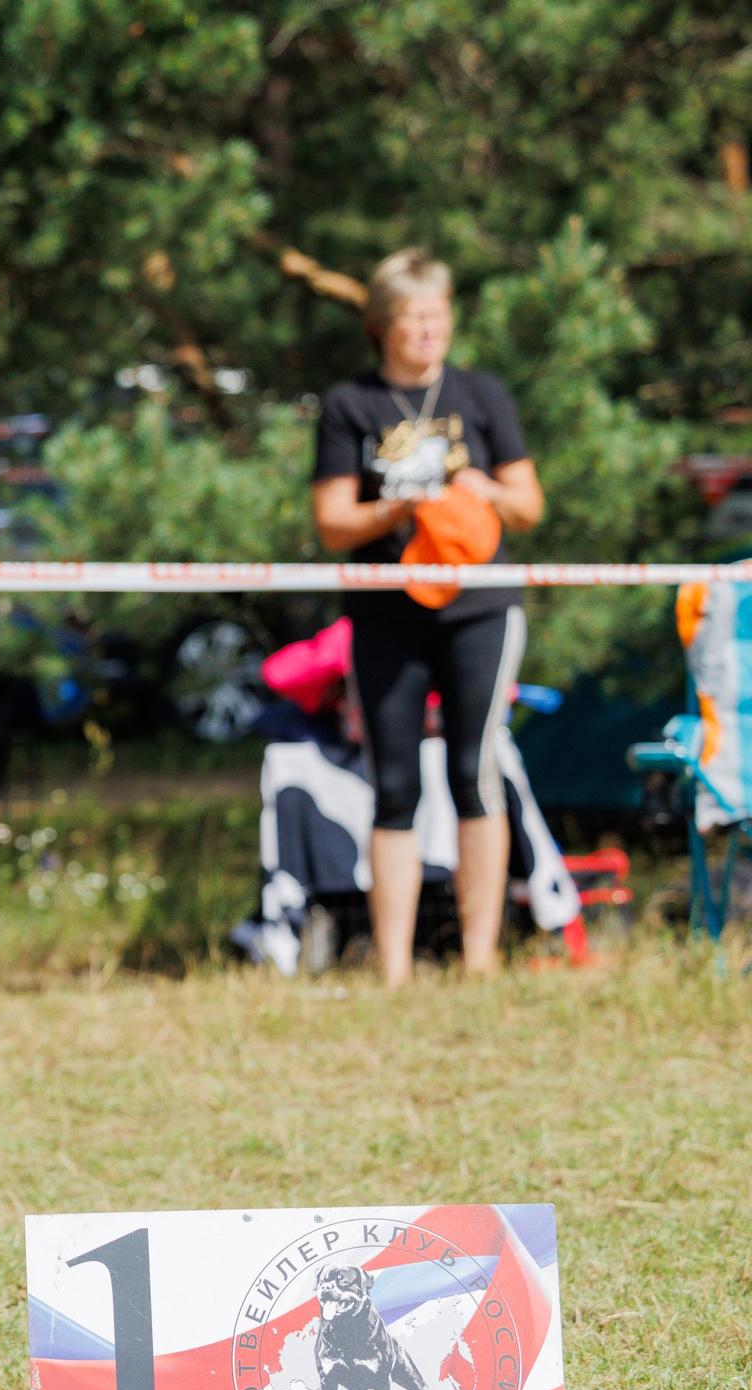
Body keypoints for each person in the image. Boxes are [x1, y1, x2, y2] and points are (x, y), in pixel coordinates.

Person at [311, 248, 545, 987]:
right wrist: (397, 506)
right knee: (393, 784)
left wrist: (480, 490)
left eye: (438, 315)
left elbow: (528, 506)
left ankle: (479, 961)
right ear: (381, 324)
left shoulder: (481, 394)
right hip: (386, 611)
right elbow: (332, 523)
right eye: (413, 316)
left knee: (475, 771)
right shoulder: (350, 403)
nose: (427, 329)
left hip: (479, 608)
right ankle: (393, 971)